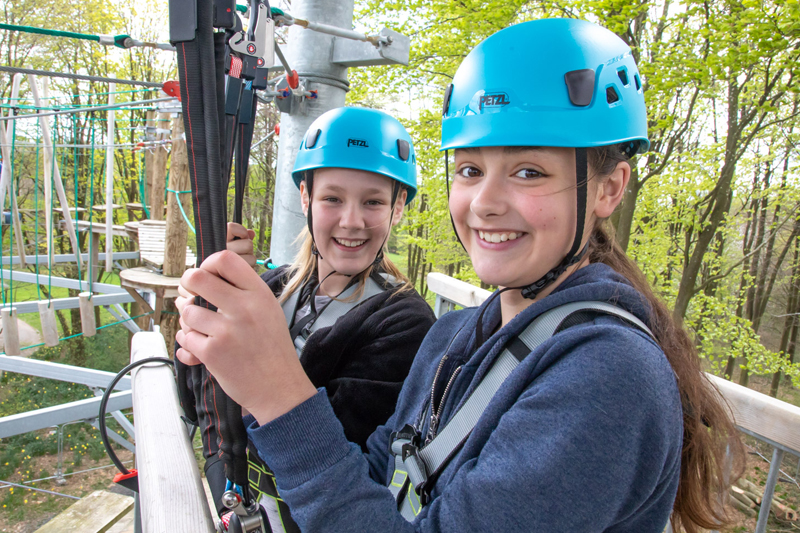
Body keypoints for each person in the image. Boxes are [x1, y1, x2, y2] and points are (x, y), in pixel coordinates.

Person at [176, 19, 743, 533]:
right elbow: (375, 478)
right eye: (470, 169)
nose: (485, 203)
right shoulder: (455, 337)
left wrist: (279, 396)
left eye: (527, 171)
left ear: (608, 188)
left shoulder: (610, 378)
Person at [179, 107, 436, 532]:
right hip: (230, 499)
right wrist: (199, 317)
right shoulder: (272, 288)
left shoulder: (405, 324)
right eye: (332, 198)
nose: (351, 221)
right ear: (305, 198)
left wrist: (233, 357)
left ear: (398, 208)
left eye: (373, 201)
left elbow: (334, 462)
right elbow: (193, 399)